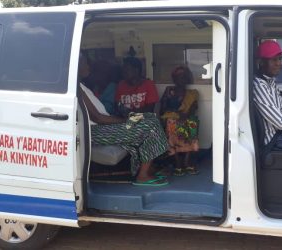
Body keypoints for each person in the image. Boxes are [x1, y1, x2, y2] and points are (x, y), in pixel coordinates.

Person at [78, 54, 169, 187]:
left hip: (104, 126)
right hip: (96, 131)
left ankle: (147, 169)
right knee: (150, 125)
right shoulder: (77, 88)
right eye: (86, 63)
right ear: (77, 64)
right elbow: (97, 117)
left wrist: (127, 119)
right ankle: (142, 176)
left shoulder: (81, 85)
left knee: (150, 118)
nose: (88, 66)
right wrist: (124, 120)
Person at [160, 66, 200, 176]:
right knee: (171, 122)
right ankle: (178, 163)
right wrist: (176, 115)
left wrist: (185, 116)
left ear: (187, 78)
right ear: (174, 78)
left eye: (183, 77)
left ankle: (187, 161)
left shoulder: (192, 93)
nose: (181, 79)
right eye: (178, 77)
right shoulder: (169, 91)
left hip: (185, 120)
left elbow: (193, 109)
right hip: (171, 120)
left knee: (192, 123)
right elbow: (163, 109)